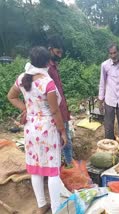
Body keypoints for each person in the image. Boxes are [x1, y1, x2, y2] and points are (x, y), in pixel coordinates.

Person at [7, 47, 66, 213]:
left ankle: (41, 205)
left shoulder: (21, 78)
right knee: (53, 170)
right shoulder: (47, 83)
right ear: (47, 62)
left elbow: (11, 96)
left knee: (36, 168)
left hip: (30, 128)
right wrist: (62, 131)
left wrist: (25, 108)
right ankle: (56, 210)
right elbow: (55, 111)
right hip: (48, 129)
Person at [47, 36, 73, 168]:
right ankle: (68, 166)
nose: (60, 55)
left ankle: (68, 165)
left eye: (61, 53)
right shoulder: (47, 68)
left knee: (65, 138)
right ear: (50, 50)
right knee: (63, 139)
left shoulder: (54, 66)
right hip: (56, 112)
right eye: (58, 52)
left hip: (61, 109)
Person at [98, 44, 119, 140]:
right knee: (108, 125)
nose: (113, 55)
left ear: (118, 52)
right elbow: (102, 83)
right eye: (111, 53)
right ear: (109, 54)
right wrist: (100, 100)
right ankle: (109, 143)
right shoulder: (104, 65)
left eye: (115, 53)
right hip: (109, 99)